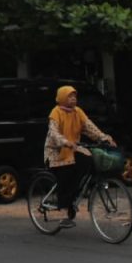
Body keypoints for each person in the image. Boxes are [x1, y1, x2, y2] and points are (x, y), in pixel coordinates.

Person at [44, 86, 116, 228]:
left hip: (74, 149)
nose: (73, 99)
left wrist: (104, 138)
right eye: (70, 96)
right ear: (63, 98)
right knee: (67, 173)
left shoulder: (78, 112)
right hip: (57, 152)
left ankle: (76, 194)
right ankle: (65, 208)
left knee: (88, 161)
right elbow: (53, 133)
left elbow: (90, 127)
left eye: (75, 96)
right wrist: (65, 142)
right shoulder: (56, 112)